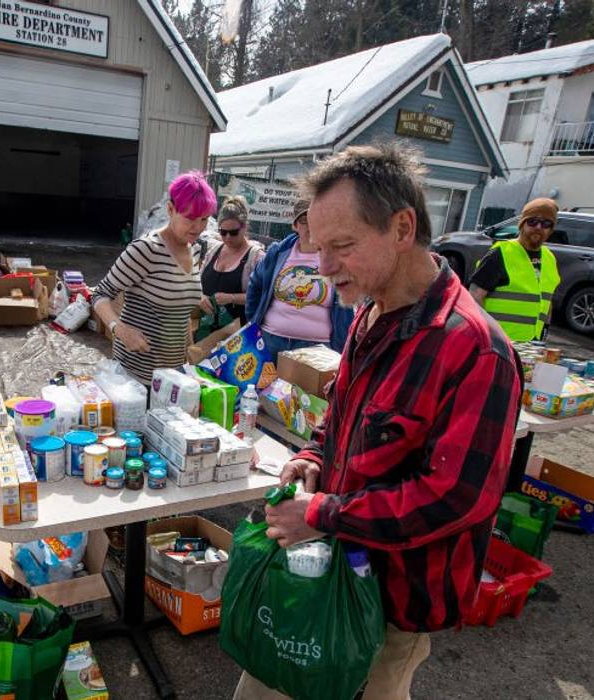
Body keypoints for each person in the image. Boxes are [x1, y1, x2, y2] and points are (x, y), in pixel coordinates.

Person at [235, 143, 522, 700]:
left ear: (402, 227)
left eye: (342, 246)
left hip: (391, 606)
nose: (323, 268)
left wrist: (324, 514)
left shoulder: (477, 351)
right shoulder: (372, 310)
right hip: (326, 567)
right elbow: (341, 415)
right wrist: (312, 458)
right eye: (318, 247)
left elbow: (454, 498)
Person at [90, 171, 214, 384]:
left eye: (204, 219)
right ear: (170, 209)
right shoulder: (146, 249)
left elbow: (181, 315)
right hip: (135, 376)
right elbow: (100, 294)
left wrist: (189, 364)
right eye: (190, 218)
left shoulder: (193, 251)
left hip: (171, 377)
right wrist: (120, 330)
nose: (198, 227)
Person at [244, 198, 355, 357]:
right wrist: (254, 321)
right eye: (304, 220)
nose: (310, 225)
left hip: (316, 349)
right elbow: (255, 284)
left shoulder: (337, 258)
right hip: (271, 340)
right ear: (294, 225)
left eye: (315, 219)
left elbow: (348, 301)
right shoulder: (278, 253)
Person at [468, 197, 561, 341]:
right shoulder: (500, 254)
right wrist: (488, 337)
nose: (538, 227)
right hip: (499, 344)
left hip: (529, 347)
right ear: (522, 224)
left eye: (546, 223)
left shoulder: (549, 259)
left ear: (550, 229)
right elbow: (475, 297)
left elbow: (546, 303)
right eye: (532, 221)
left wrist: (542, 339)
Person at [200, 196, 265, 325]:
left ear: (245, 227)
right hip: (206, 330)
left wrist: (231, 298)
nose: (228, 237)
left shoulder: (256, 257)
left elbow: (262, 296)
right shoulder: (213, 251)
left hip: (238, 336)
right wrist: (200, 297)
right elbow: (196, 284)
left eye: (233, 232)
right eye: (223, 232)